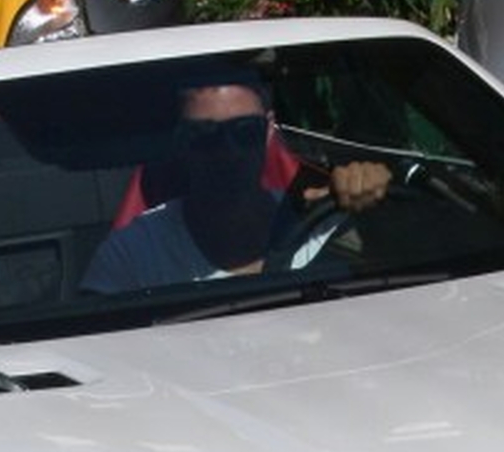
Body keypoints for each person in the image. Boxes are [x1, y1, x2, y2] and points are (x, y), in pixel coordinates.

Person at [82, 73, 392, 293]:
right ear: (178, 142)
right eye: (206, 136)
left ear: (270, 130)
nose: (228, 153)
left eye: (245, 132)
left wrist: (376, 192)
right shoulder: (135, 255)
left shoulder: (323, 225)